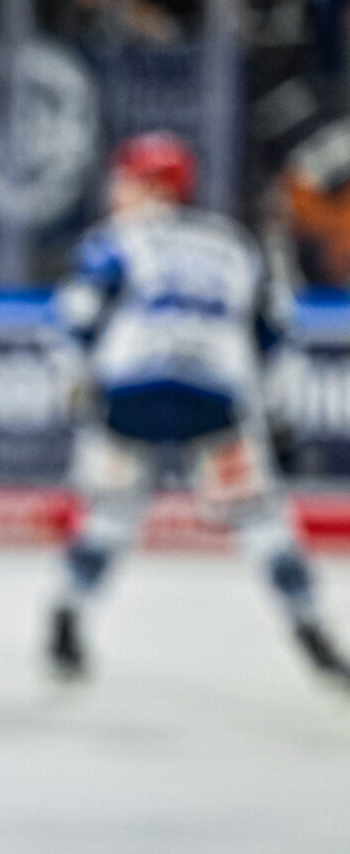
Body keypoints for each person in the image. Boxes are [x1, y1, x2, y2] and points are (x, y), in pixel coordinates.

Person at [48, 130, 350, 687]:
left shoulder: (118, 239)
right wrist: (281, 420)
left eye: (127, 180)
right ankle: (311, 626)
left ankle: (67, 609)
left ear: (152, 186)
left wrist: (73, 388)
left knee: (111, 513)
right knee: (260, 518)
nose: (116, 190)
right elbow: (277, 339)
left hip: (132, 392)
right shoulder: (233, 244)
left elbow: (74, 319)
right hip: (214, 396)